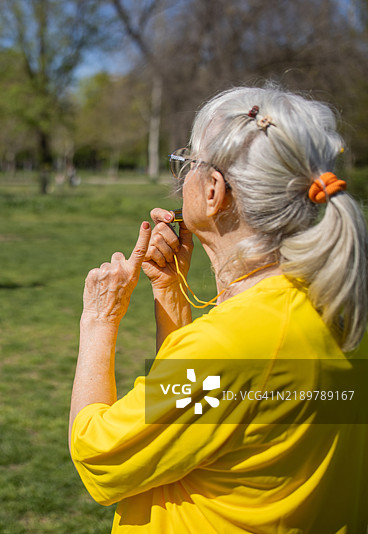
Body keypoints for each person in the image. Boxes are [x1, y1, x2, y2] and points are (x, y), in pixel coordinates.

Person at [69, 86, 368, 532]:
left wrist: (99, 319)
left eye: (189, 161)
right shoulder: (338, 304)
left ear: (213, 190)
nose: (181, 174)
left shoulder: (230, 348)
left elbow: (99, 457)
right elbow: (199, 418)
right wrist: (170, 295)